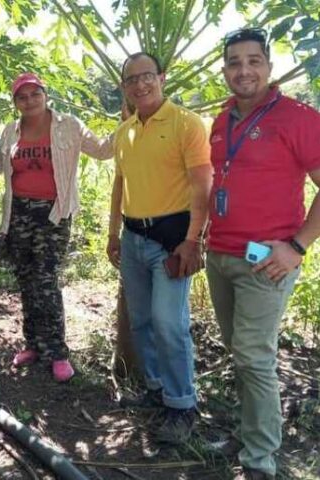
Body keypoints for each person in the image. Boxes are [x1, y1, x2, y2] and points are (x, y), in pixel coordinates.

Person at [206, 28, 320, 479]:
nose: (243, 70)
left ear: (268, 65)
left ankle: (260, 459)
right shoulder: (222, 118)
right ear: (224, 68)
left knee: (253, 354)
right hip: (221, 254)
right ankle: (251, 433)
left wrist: (297, 247)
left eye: (253, 61)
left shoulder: (298, 118)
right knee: (238, 350)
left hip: (267, 259)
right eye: (233, 62)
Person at [106, 52, 213, 444]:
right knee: (142, 321)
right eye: (131, 79)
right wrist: (113, 233)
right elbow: (121, 184)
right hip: (133, 239)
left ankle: (183, 405)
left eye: (146, 76)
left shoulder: (186, 123)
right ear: (124, 87)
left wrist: (193, 240)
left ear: (162, 77)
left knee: (169, 323)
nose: (140, 84)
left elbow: (202, 184)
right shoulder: (126, 130)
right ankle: (156, 389)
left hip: (172, 240)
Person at [0, 72, 113, 382]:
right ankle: (33, 344)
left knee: (45, 280)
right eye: (22, 96)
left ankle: (58, 352)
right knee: (26, 279)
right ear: (15, 102)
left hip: (53, 214)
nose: (29, 100)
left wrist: (130, 123)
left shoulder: (68, 125)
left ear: (46, 95)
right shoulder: (10, 131)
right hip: (18, 212)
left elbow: (101, 150)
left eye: (35, 94)